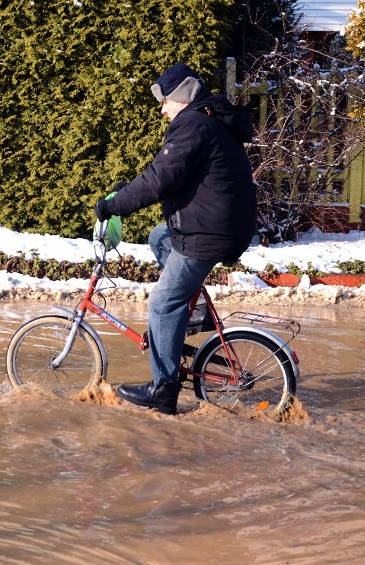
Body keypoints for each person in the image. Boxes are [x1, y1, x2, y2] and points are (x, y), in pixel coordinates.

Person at [94, 63, 257, 415]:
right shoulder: (206, 120)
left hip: (208, 234)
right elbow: (168, 175)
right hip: (219, 226)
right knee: (158, 236)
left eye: (165, 100)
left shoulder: (193, 124)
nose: (162, 108)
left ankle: (163, 390)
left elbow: (159, 180)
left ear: (181, 96)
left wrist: (114, 206)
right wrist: (126, 191)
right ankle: (194, 310)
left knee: (162, 305)